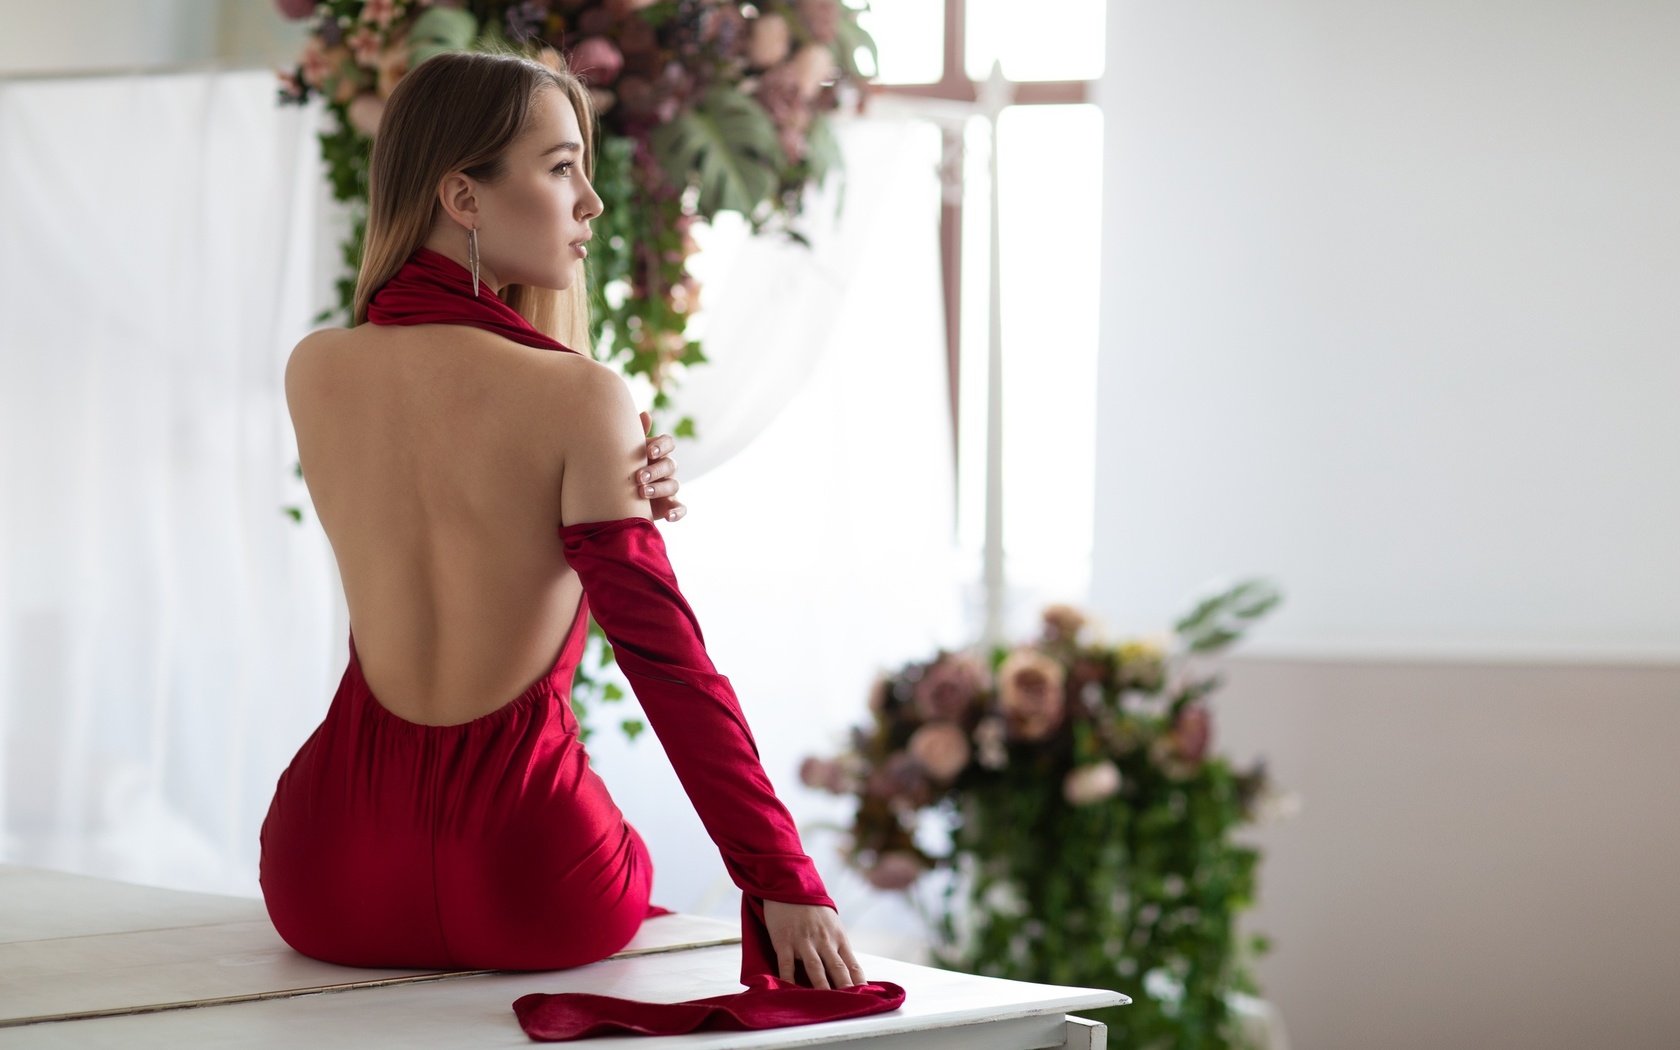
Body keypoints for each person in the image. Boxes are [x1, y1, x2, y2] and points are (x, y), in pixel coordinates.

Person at [257, 47, 872, 1008]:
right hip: (529, 881)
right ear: (463, 196)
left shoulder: (316, 369)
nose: (591, 201)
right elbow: (668, 666)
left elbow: (443, 474)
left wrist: (607, 457)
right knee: (623, 861)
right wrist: (782, 880)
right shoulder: (581, 399)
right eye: (559, 168)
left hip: (325, 877)